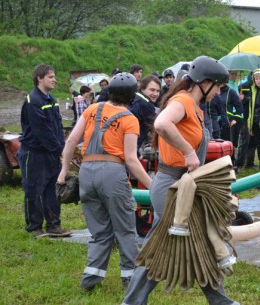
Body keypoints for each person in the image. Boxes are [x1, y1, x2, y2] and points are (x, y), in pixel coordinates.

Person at [123, 56, 239, 305]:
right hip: (171, 186)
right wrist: (187, 152)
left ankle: (220, 301)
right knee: (162, 248)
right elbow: (162, 123)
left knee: (197, 243)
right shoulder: (183, 100)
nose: (218, 93)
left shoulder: (196, 108)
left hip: (185, 186)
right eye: (217, 87)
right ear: (205, 82)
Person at [57, 72, 152, 291]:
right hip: (112, 173)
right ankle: (131, 280)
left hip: (87, 173)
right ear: (131, 97)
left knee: (100, 231)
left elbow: (71, 140)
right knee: (125, 230)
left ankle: (90, 280)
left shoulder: (91, 110)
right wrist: (151, 185)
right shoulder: (129, 119)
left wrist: (63, 172)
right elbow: (131, 159)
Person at [17, 63, 70, 238]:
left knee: (52, 189)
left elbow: (57, 128)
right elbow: (42, 131)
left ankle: (54, 225)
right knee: (34, 189)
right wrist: (60, 149)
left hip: (51, 153)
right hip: (34, 153)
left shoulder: (52, 101)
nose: (54, 80)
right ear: (39, 78)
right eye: (50, 77)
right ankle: (35, 226)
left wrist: (61, 146)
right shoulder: (33, 101)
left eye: (54, 76)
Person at [128, 75, 160, 149]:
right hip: (131, 145)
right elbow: (156, 128)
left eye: (158, 91)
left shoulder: (134, 97)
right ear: (142, 88)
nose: (155, 94)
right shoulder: (146, 103)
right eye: (152, 90)